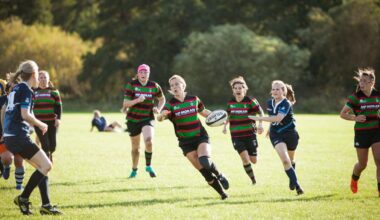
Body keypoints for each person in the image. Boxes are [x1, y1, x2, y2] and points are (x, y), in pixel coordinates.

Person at [4, 60, 62, 215]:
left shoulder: (16, 88)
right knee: (47, 165)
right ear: (34, 75)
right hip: (18, 137)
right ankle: (23, 198)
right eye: (38, 74)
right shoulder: (26, 90)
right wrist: (41, 124)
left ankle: (46, 205)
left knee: (42, 167)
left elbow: (6, 110)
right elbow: (25, 114)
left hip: (12, 136)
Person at [157, 74, 229, 200]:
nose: (174, 87)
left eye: (177, 84)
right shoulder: (171, 105)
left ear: (183, 85)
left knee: (205, 160)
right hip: (185, 142)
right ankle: (223, 194)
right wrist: (162, 115)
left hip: (200, 136)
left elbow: (204, 112)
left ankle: (220, 175)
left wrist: (218, 118)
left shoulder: (193, 99)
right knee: (204, 172)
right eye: (172, 85)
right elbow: (160, 118)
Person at [249, 80, 304, 195]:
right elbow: (272, 117)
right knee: (285, 160)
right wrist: (269, 128)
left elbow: (278, 118)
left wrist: (259, 119)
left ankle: (292, 177)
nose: (275, 91)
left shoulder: (286, 103)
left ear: (283, 91)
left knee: (290, 160)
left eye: (278, 89)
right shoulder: (269, 102)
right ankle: (298, 186)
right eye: (273, 89)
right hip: (276, 134)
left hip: (291, 134)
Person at [340, 67, 380, 197]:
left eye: (364, 81)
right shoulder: (355, 97)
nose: (361, 84)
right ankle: (354, 178)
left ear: (371, 82)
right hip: (361, 133)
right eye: (360, 81)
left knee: (379, 159)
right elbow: (342, 114)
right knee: (362, 164)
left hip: (376, 131)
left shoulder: (377, 95)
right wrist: (355, 118)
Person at [122, 64, 166, 178]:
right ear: (138, 74)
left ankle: (148, 165)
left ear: (148, 74)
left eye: (146, 72)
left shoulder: (154, 86)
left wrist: (159, 108)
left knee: (149, 141)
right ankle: (134, 170)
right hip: (133, 119)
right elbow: (125, 104)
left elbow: (162, 99)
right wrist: (137, 100)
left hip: (148, 118)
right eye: (141, 72)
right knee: (135, 148)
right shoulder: (131, 85)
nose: (143, 74)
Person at [222, 76, 264, 185]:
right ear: (233, 90)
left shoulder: (251, 101)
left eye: (240, 88)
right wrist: (225, 126)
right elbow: (228, 115)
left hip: (250, 134)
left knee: (253, 160)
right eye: (235, 88)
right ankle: (253, 180)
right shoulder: (231, 102)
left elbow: (260, 113)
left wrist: (260, 124)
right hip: (236, 136)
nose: (238, 90)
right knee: (245, 159)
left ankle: (254, 153)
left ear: (244, 89)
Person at [0, 79, 25, 190]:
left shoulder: (24, 99)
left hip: (20, 134)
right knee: (6, 158)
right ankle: (6, 166)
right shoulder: (3, 101)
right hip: (5, 134)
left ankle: (19, 186)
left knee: (19, 160)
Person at [33, 71, 62, 162]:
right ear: (37, 79)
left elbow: (58, 106)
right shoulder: (33, 92)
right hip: (39, 123)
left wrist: (58, 119)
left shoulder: (54, 91)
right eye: (41, 77)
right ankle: (46, 161)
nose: (43, 79)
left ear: (48, 79)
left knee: (52, 145)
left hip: (52, 122)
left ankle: (49, 154)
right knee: (45, 144)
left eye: (45, 77)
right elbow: (30, 107)